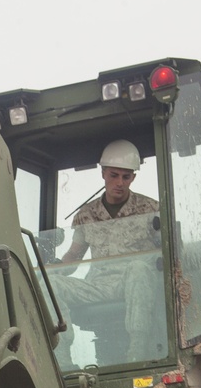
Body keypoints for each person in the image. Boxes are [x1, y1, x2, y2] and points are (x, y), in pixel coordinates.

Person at [54, 139, 167, 361]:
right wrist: (54, 269)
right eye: (114, 175)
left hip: (134, 283)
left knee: (138, 268)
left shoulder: (151, 210)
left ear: (133, 177)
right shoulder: (87, 214)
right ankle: (62, 356)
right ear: (103, 173)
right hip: (98, 285)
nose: (120, 183)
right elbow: (74, 255)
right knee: (51, 285)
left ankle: (137, 351)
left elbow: (165, 249)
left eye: (126, 177)